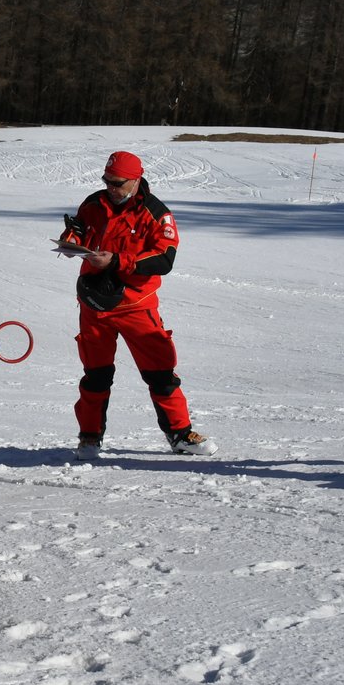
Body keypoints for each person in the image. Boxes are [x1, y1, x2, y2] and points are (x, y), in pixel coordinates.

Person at [61, 151, 215, 459]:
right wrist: (70, 241)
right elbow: (79, 228)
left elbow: (164, 259)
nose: (111, 188)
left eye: (117, 183)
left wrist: (117, 261)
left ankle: (180, 434)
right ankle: (89, 438)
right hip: (95, 304)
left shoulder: (157, 214)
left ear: (136, 180)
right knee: (96, 375)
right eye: (107, 181)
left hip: (136, 306)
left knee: (161, 373)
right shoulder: (94, 203)